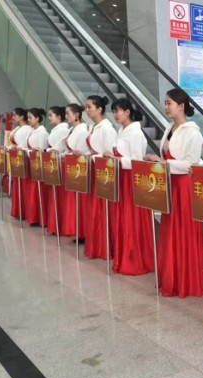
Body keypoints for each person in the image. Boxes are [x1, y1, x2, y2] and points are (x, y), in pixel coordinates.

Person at [144, 88, 203, 297]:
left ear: (181, 106)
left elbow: (191, 164)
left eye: (169, 103)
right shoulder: (169, 128)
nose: (166, 107)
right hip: (170, 184)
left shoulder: (193, 132)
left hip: (183, 187)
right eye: (165, 103)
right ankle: (171, 277)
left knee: (183, 231)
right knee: (170, 230)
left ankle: (186, 280)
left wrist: (163, 163)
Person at [103, 99, 154, 275]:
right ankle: (124, 256)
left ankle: (135, 259)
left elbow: (137, 161)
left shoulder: (136, 133)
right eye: (114, 111)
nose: (115, 114)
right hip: (121, 177)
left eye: (118, 111)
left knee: (132, 218)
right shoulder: (121, 131)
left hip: (131, 179)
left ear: (127, 112)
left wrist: (116, 159)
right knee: (122, 218)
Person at [83, 95, 117, 260]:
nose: (87, 110)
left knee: (102, 210)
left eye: (89, 107)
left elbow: (108, 155)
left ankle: (104, 246)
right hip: (94, 170)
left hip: (103, 173)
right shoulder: (92, 127)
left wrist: (93, 157)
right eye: (86, 107)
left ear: (99, 109)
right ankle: (96, 244)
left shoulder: (107, 129)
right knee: (94, 209)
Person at [46, 104, 87, 237]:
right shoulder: (71, 130)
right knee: (68, 200)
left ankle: (78, 230)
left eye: (68, 113)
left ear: (76, 115)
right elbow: (62, 148)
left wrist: (65, 155)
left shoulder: (82, 131)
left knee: (75, 200)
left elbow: (80, 152)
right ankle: (69, 227)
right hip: (67, 165)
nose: (66, 116)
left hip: (76, 168)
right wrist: (54, 152)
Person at [24, 108, 49, 226]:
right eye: (28, 117)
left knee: (38, 192)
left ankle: (40, 218)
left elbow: (42, 151)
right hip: (32, 162)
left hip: (38, 165)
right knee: (33, 192)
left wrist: (31, 151)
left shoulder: (43, 133)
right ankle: (33, 216)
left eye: (30, 118)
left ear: (37, 119)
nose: (28, 120)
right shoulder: (32, 131)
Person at [9, 108, 32, 220]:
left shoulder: (28, 129)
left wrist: (18, 147)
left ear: (22, 117)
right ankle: (18, 209)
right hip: (16, 159)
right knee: (18, 184)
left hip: (24, 159)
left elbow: (26, 145)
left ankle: (25, 210)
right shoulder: (17, 128)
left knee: (24, 184)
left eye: (15, 115)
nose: (13, 117)